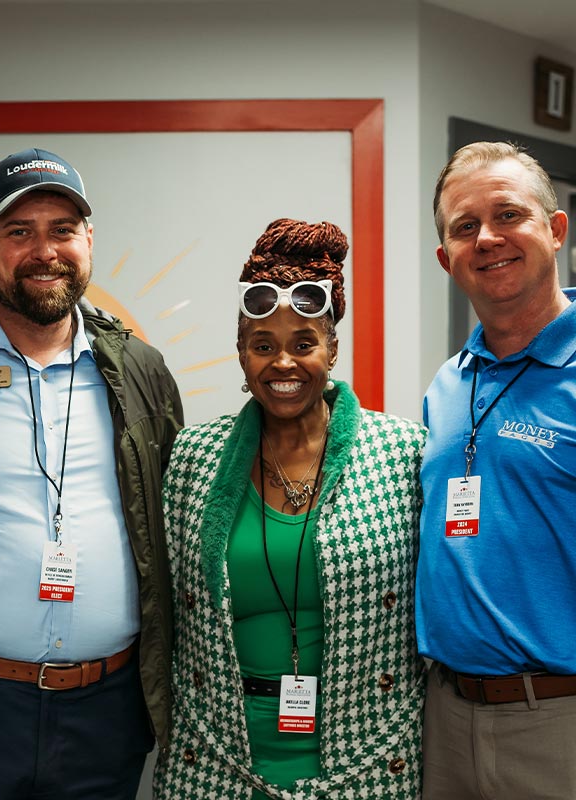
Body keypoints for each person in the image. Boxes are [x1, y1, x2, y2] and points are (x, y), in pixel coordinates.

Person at [0, 147, 184, 800]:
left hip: (106, 714)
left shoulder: (141, 371)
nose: (44, 250)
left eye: (62, 229)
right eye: (19, 232)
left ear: (89, 239)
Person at [153, 218, 426, 799]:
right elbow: (172, 615)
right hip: (217, 756)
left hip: (369, 755)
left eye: (304, 343)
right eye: (263, 346)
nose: (283, 363)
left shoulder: (402, 453)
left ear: (332, 348)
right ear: (241, 355)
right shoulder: (194, 457)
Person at [417, 141, 575, 800]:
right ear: (446, 258)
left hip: (558, 723)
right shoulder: (449, 384)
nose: (487, 238)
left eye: (508, 215)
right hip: (444, 717)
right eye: (464, 227)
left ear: (556, 229)